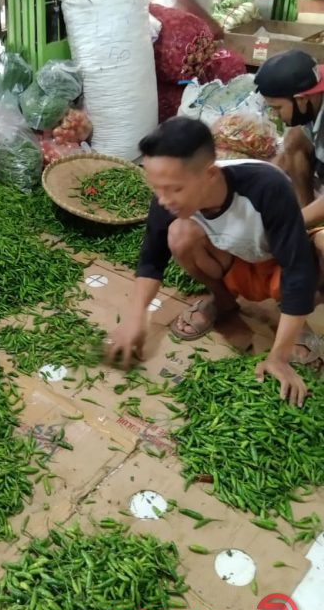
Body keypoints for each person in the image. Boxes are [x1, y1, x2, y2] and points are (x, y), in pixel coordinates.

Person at [106, 117, 324, 406]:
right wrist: (135, 315)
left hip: (278, 261)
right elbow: (151, 259)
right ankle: (222, 302)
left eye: (174, 188)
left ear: (209, 174)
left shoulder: (265, 186)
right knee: (180, 234)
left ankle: (300, 330)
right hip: (236, 259)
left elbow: (297, 270)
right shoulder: (167, 199)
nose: (163, 199)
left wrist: (278, 357)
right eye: (156, 188)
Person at [254, 50, 324, 264]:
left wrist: (292, 224)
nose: (275, 115)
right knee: (294, 139)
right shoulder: (313, 102)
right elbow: (284, 159)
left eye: (277, 108)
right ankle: (310, 219)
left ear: (301, 99)